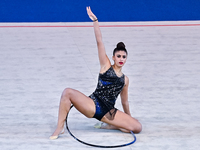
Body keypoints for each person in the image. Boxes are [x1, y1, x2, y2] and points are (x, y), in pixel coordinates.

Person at [49, 6, 142, 140]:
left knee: (138, 127)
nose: (121, 59)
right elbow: (100, 42)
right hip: (93, 105)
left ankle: (110, 124)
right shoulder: (106, 66)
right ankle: (60, 127)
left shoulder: (125, 80)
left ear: (126, 59)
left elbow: (125, 101)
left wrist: (129, 118)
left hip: (109, 112)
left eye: (123, 57)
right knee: (67, 92)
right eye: (119, 56)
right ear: (113, 58)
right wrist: (95, 21)